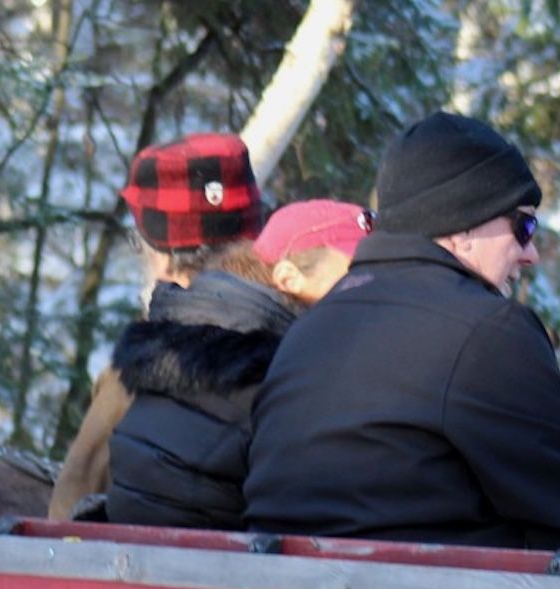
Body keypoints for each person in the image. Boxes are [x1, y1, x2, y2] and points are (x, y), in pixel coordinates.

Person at [243, 113, 560, 553]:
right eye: (523, 227)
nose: (532, 254)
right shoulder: (488, 333)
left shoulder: (309, 329)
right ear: (464, 223)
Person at [105, 201, 369, 529]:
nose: (369, 289)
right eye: (355, 275)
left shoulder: (196, 332)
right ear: (289, 278)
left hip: (150, 552)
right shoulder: (276, 371)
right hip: (213, 564)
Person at [49, 132, 265, 520]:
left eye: (139, 243)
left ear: (165, 264)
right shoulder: (313, 335)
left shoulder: (136, 374)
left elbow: (69, 505)